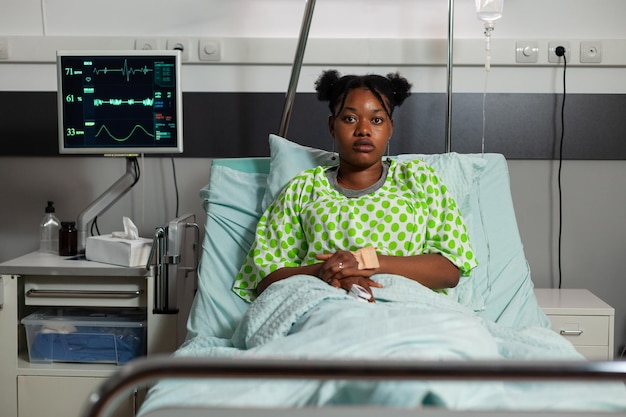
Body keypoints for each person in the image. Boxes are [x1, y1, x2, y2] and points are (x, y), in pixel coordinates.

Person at [233, 69, 477, 303]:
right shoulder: (303, 189)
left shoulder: (419, 181)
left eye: (376, 120)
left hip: (407, 308)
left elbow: (448, 270)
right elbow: (264, 279)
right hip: (321, 305)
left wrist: (363, 262)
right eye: (350, 118)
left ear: (390, 128)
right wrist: (325, 271)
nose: (363, 130)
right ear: (332, 126)